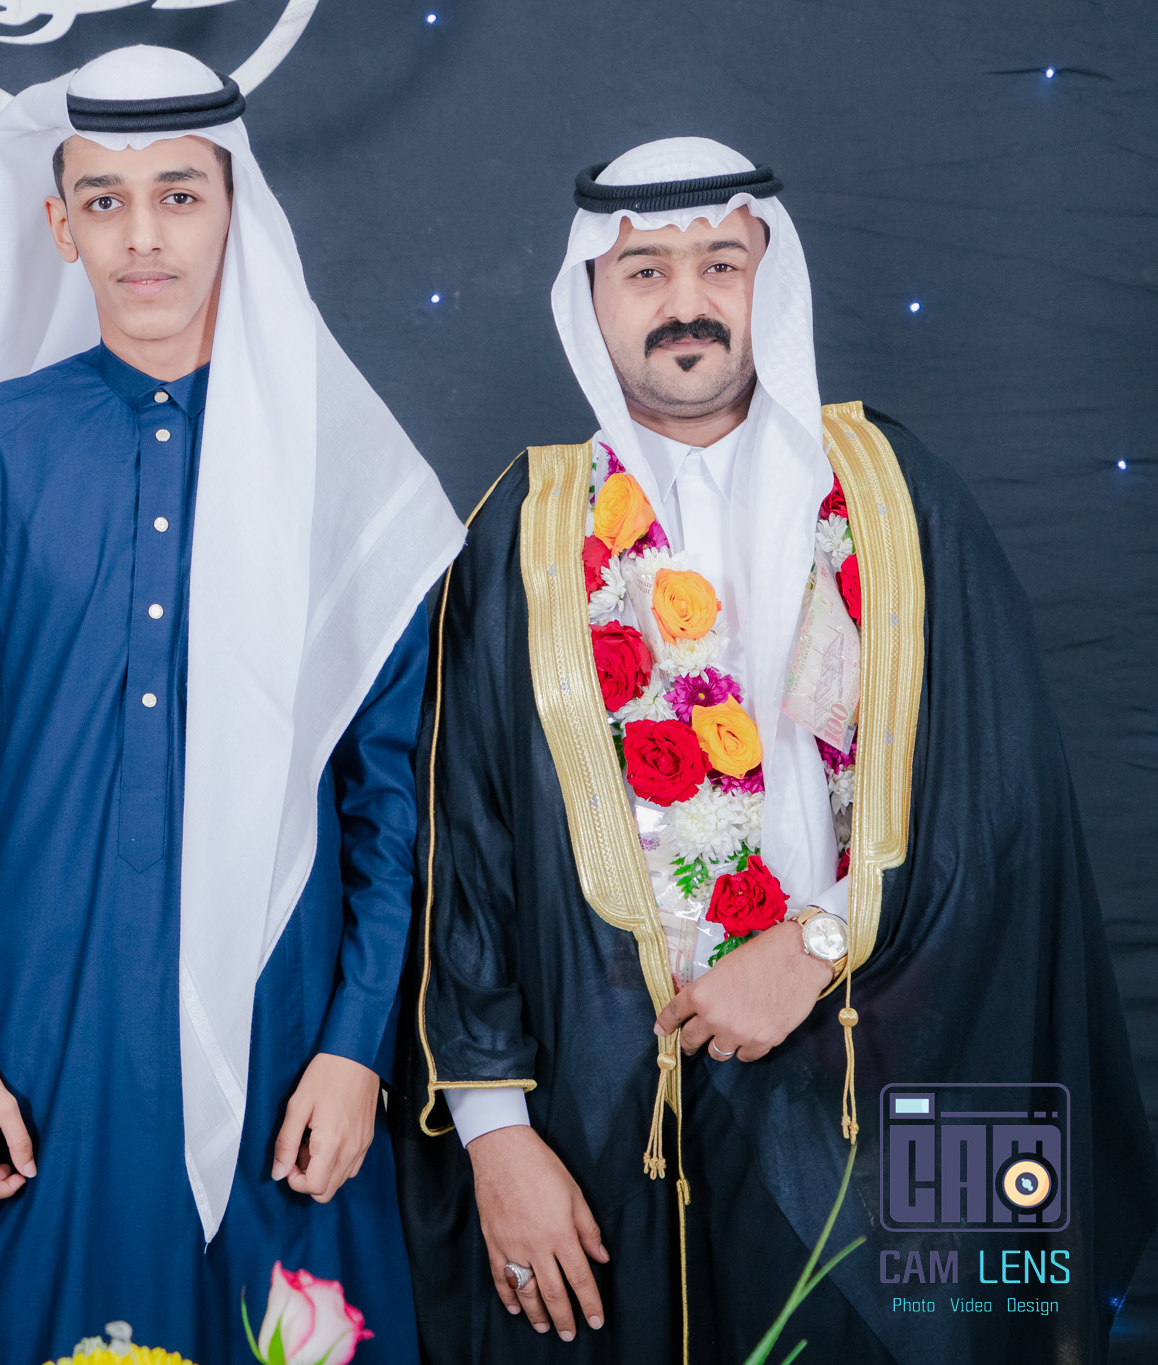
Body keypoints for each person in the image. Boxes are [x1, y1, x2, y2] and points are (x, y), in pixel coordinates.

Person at [393, 138, 1158, 1363]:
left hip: (880, 1081)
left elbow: (998, 805)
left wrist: (812, 946)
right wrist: (493, 1135)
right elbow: (460, 851)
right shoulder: (522, 535)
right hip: (608, 1113)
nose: (684, 301)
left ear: (771, 279)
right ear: (590, 295)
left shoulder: (896, 500)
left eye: (720, 263)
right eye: (643, 270)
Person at [0, 46, 464, 1365]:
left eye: (179, 195)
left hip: (285, 1028)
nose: (142, 236)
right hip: (40, 1033)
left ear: (234, 208)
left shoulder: (340, 469)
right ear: (60, 225)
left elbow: (390, 793)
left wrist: (355, 1048)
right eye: (105, 200)